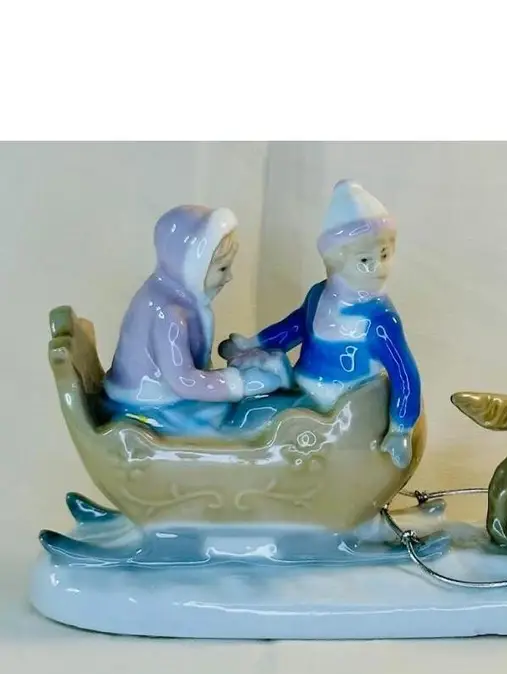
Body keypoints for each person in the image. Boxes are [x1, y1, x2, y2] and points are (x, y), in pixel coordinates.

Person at [219, 180, 422, 468]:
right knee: (250, 401)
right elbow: (293, 327)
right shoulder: (319, 295)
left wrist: (401, 429)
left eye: (385, 254)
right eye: (365, 259)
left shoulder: (379, 319)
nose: (377, 267)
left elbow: (404, 373)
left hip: (337, 407)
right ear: (336, 260)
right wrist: (253, 343)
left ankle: (240, 461)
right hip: (301, 387)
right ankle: (231, 452)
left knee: (255, 415)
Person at [102, 204, 291, 437]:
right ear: (192, 267)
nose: (229, 277)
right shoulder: (170, 313)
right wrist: (241, 383)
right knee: (234, 424)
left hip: (166, 395)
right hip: (153, 405)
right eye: (222, 268)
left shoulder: (172, 294)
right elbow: (184, 381)